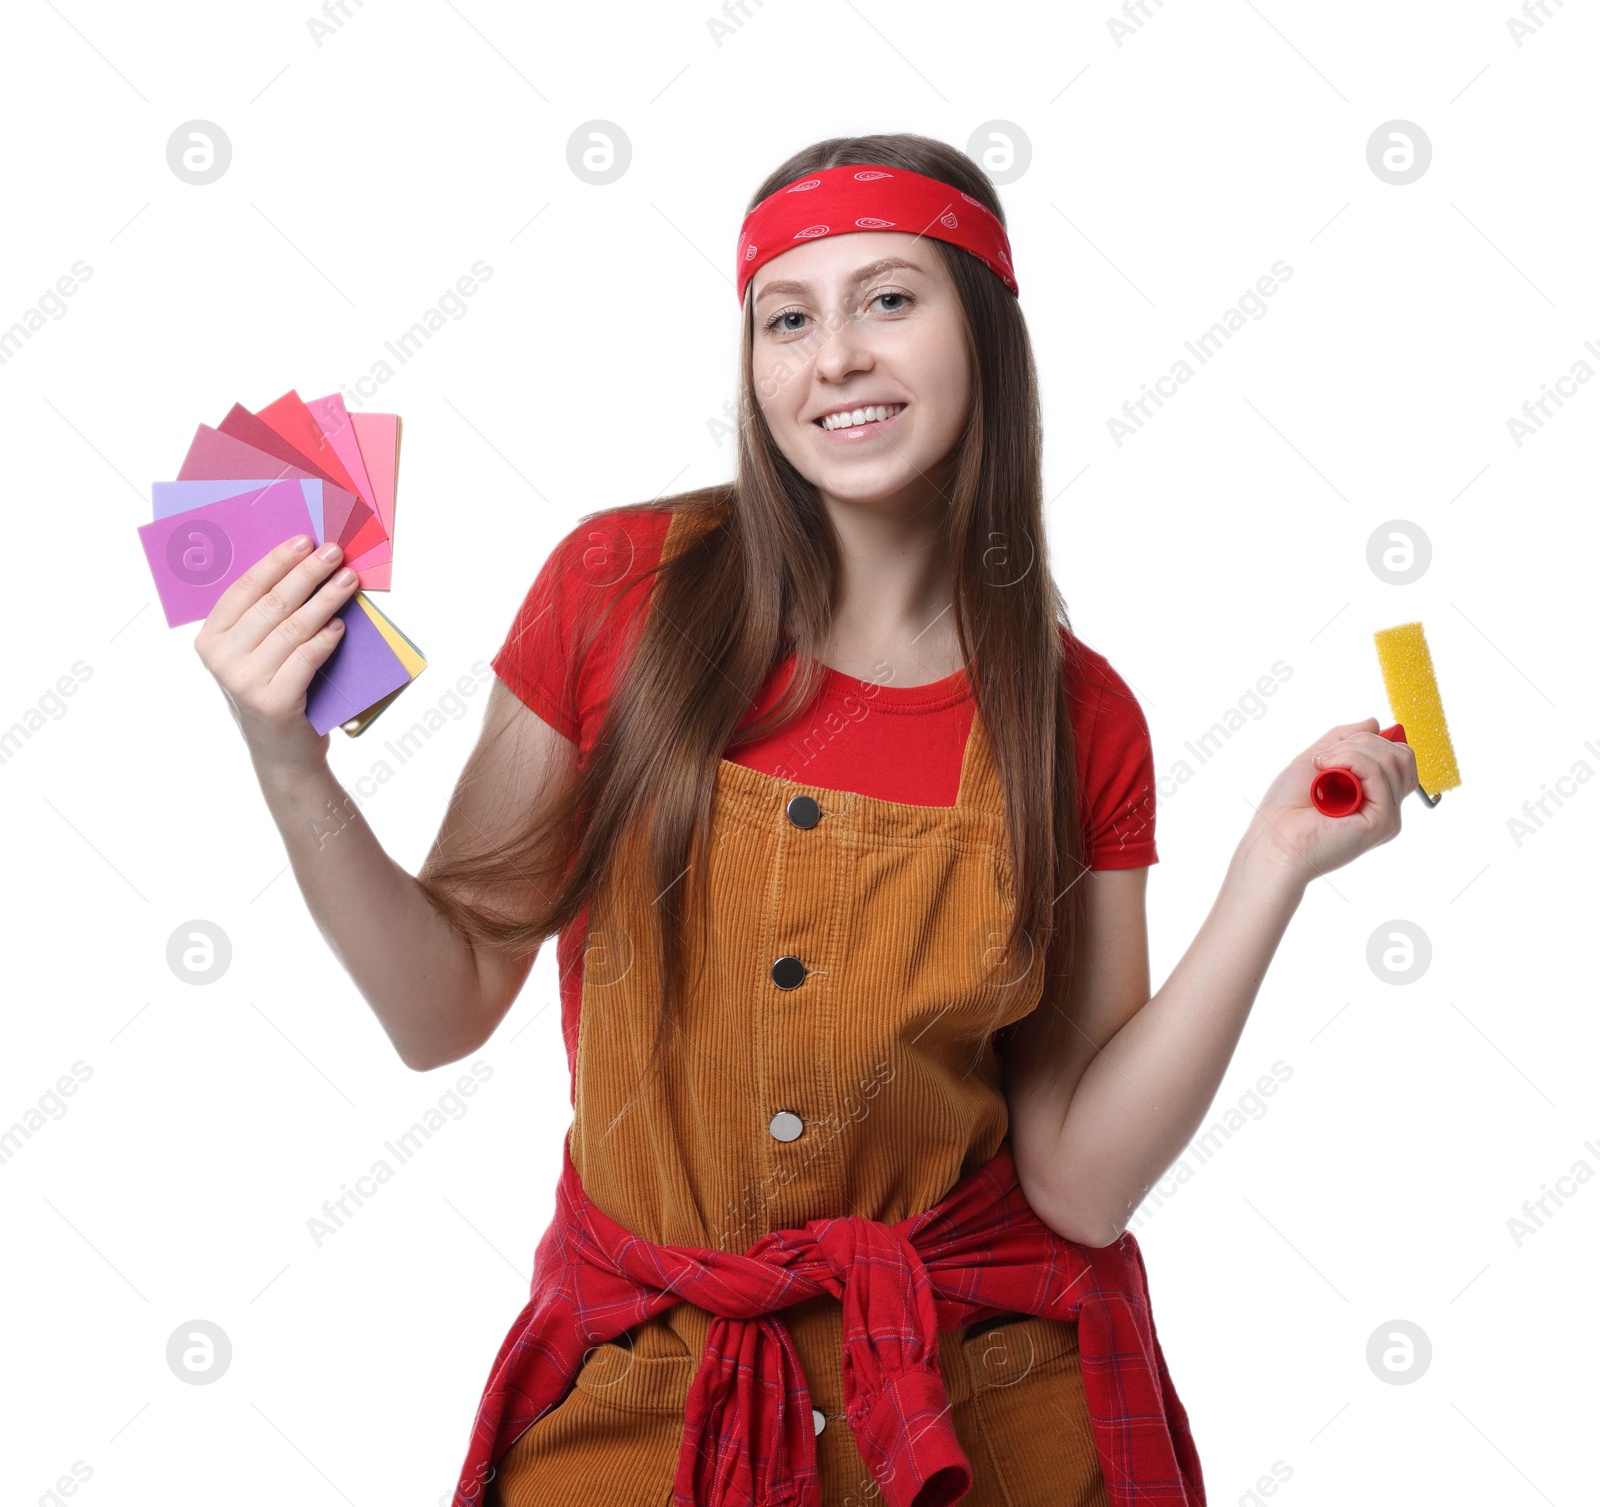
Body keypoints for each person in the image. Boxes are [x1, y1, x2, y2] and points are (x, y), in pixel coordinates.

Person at [193, 133, 1418, 1507]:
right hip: (643, 1407)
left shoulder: (1080, 721)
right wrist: (290, 764)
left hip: (976, 1423)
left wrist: (1272, 867)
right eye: (789, 318)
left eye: (889, 298)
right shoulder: (619, 593)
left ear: (987, 334)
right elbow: (445, 1002)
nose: (833, 355)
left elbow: (1077, 1182)